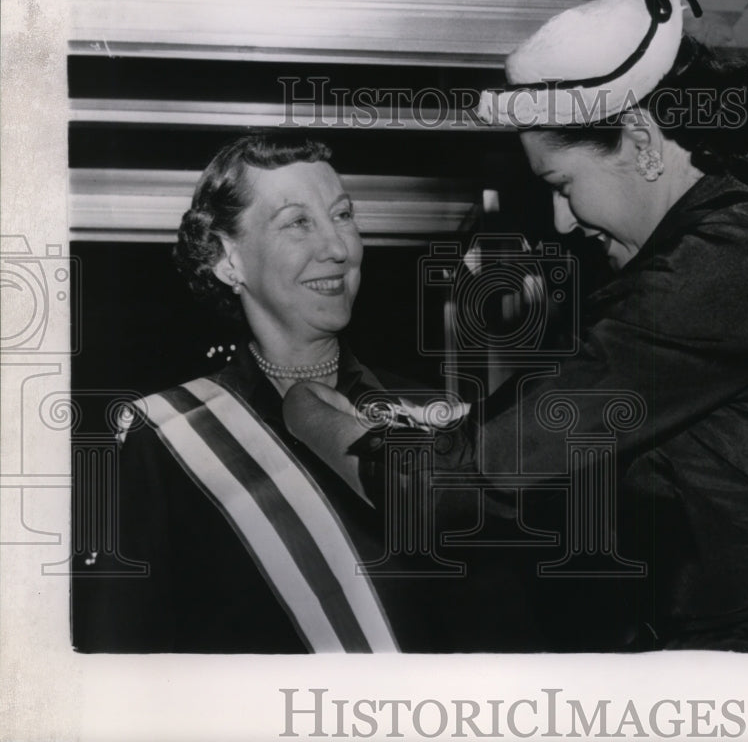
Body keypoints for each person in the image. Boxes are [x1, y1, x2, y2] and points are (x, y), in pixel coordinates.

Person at [285, 0, 748, 654]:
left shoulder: (717, 270)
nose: (564, 222)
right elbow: (548, 415)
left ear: (643, 139)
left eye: (561, 186)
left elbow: (455, 491)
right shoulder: (746, 230)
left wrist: (307, 413)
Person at [72, 133, 475, 653]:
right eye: (297, 222)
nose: (337, 247)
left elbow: (499, 626)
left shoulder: (433, 412)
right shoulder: (165, 439)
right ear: (227, 260)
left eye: (343, 215)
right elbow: (123, 652)